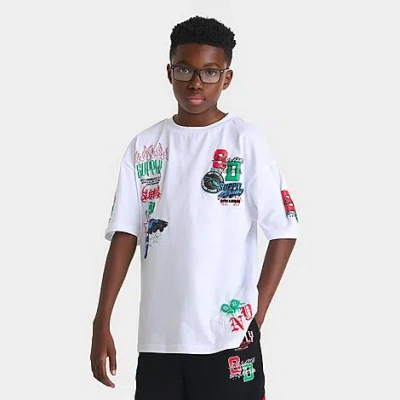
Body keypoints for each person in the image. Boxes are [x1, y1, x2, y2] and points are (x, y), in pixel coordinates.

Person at [90, 15, 299, 400]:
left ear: (227, 78)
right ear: (169, 72)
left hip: (228, 339)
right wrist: (101, 320)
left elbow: (284, 230)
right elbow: (125, 234)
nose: (196, 83)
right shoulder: (145, 145)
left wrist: (257, 312)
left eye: (210, 72)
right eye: (185, 69)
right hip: (159, 341)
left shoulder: (245, 141)